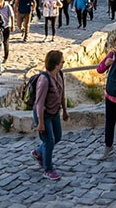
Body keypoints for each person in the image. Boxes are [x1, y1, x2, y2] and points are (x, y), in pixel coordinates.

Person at [32, 49, 70, 180]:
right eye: (61, 62)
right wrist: (41, 123)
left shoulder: (60, 75)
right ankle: (48, 169)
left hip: (55, 113)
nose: (63, 63)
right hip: (43, 114)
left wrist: (64, 111)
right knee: (49, 140)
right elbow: (39, 103)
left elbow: (62, 94)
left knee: (57, 137)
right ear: (55, 63)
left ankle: (38, 152)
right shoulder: (44, 80)